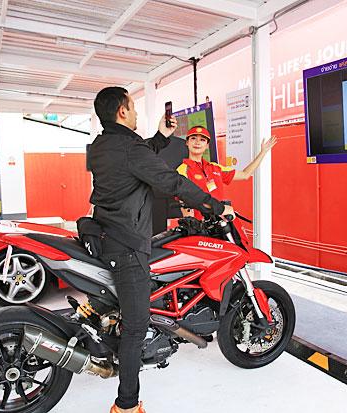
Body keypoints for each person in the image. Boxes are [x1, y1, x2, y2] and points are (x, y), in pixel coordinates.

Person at [88, 87, 232, 413]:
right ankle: (126, 405)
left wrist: (160, 137)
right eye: (133, 107)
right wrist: (214, 205)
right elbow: (171, 181)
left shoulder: (101, 145)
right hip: (127, 244)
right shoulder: (128, 148)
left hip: (106, 234)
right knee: (136, 326)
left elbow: (135, 159)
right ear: (122, 112)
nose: (136, 113)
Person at [177, 126, 277, 219]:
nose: (197, 142)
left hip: (222, 221)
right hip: (200, 225)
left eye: (202, 140)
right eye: (193, 138)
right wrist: (189, 221)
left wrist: (263, 152)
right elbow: (182, 200)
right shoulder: (182, 169)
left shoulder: (215, 168)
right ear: (187, 142)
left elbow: (245, 174)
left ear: (207, 145)